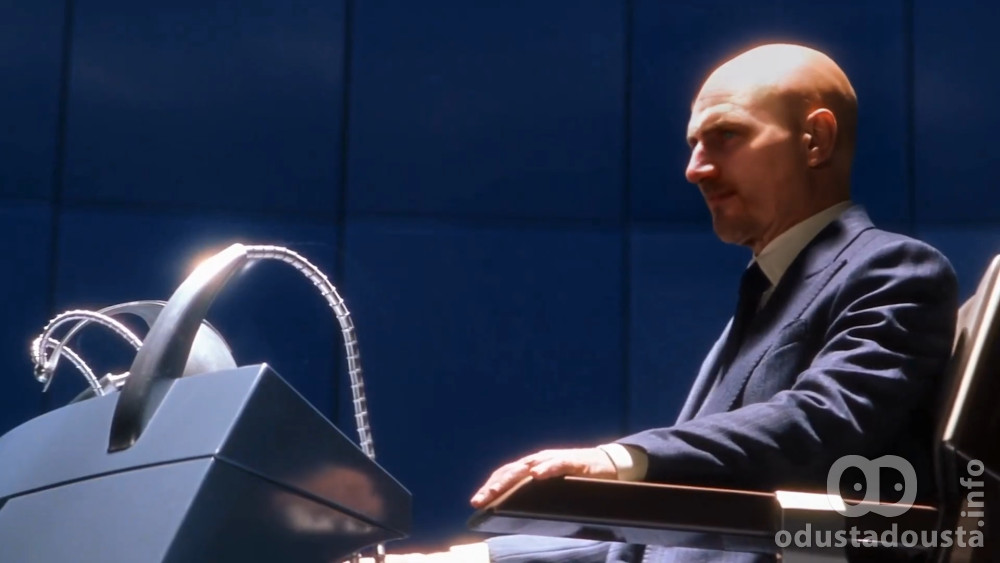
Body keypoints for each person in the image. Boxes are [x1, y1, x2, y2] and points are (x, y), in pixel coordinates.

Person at [364, 42, 958, 562]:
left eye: (726, 135)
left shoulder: (894, 268)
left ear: (815, 139)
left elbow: (820, 423)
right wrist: (464, 560)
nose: (694, 169)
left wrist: (619, 459)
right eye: (694, 143)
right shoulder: (766, 298)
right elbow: (659, 545)